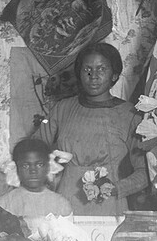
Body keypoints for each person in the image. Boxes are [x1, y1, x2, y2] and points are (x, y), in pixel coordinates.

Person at [37, 42, 148, 215]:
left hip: (110, 205)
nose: (93, 76)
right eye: (87, 69)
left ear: (114, 75)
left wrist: (116, 188)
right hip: (65, 203)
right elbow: (34, 150)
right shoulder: (63, 108)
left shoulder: (130, 114)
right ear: (79, 74)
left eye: (102, 69)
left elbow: (144, 172)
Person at [0, 138, 74, 219]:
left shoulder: (61, 205)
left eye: (39, 165)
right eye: (25, 166)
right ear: (16, 168)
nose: (33, 171)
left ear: (48, 166)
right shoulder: (4, 204)